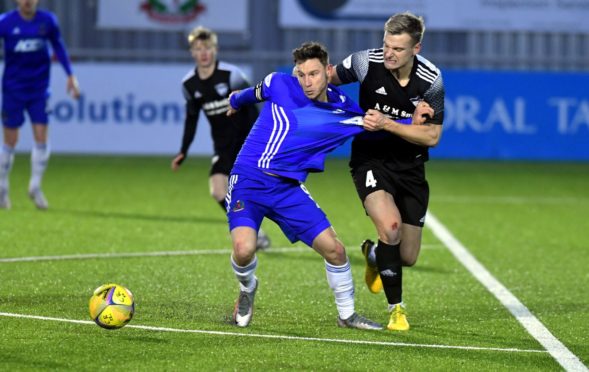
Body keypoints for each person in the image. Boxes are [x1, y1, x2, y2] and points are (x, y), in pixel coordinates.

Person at [225, 41, 431, 330]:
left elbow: (375, 123)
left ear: (327, 71)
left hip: (287, 189)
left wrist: (411, 117)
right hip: (248, 180)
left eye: (313, 74)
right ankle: (247, 289)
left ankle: (347, 316)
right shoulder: (279, 83)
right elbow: (251, 94)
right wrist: (234, 102)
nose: (307, 82)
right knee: (244, 249)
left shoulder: (343, 109)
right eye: (301, 74)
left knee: (335, 250)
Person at [330, 12, 444, 331]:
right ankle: (397, 311)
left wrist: (388, 123)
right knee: (391, 227)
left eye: (398, 48)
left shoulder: (431, 80)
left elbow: (432, 137)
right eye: (386, 44)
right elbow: (327, 78)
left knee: (407, 256)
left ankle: (374, 255)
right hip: (371, 161)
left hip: (411, 168)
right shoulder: (365, 62)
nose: (389, 53)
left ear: (416, 49)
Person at [170, 26, 270, 250]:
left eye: (207, 47)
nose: (203, 52)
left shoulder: (231, 75)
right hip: (223, 147)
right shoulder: (189, 84)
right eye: (198, 48)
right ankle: (256, 232)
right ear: (192, 52)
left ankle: (263, 229)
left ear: (215, 49)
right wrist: (183, 151)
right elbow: (191, 119)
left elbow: (253, 105)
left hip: (246, 141)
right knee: (218, 190)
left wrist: (259, 139)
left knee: (252, 191)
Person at [0, 0, 81, 210]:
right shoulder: (5, 23)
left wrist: (70, 75)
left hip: (39, 90)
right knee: (10, 140)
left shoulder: (47, 21)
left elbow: (59, 47)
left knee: (42, 136)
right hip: (13, 90)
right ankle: (2, 187)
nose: (28, 1)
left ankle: (35, 186)